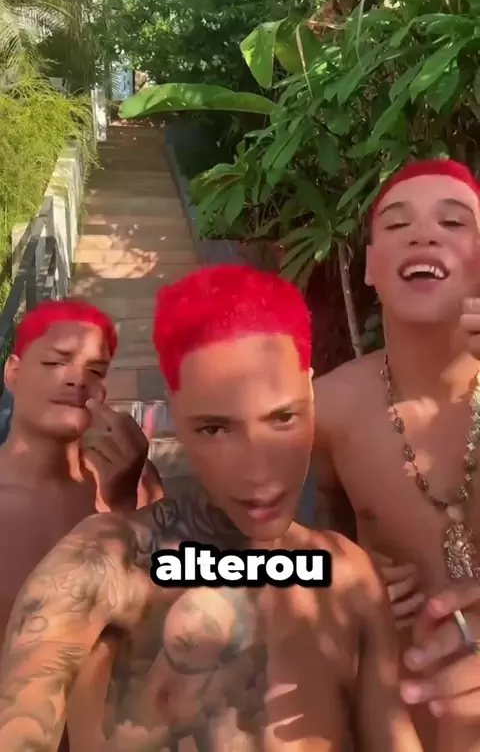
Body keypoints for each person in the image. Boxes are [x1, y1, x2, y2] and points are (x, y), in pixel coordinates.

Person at [0, 265, 422, 752]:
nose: (258, 468)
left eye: (282, 418)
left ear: (311, 392)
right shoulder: (99, 565)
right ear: (176, 414)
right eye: (216, 428)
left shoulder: (349, 575)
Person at [313, 158, 480, 749]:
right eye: (398, 224)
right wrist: (340, 571)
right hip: (400, 724)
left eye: (453, 223)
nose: (424, 234)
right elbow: (262, 548)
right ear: (370, 268)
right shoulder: (327, 410)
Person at [0, 299, 164, 641]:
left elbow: (157, 616)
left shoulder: (136, 479)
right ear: (13, 373)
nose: (78, 379)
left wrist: (124, 510)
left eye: (96, 371)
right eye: (55, 362)